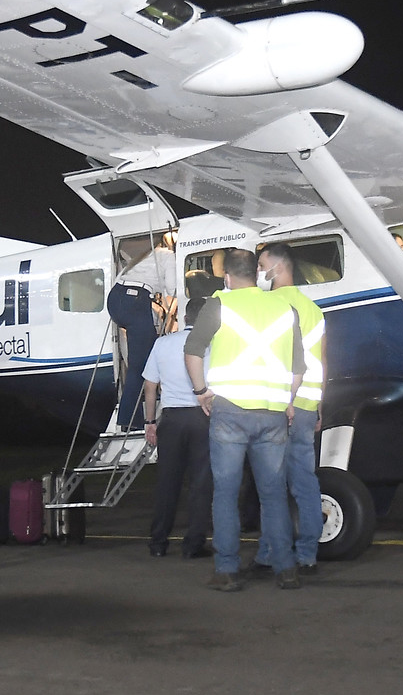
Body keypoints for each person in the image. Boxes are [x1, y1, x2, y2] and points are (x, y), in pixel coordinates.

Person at [185, 247, 303, 591]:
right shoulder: (285, 308)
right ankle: (286, 569)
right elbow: (298, 369)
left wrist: (201, 391)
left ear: (226, 277)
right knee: (273, 494)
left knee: (225, 493)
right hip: (273, 414)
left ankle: (227, 570)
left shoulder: (219, 305)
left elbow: (192, 351)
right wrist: (286, 400)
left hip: (230, 413)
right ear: (258, 274)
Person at [260, 241, 328, 575]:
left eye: (262, 266)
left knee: (271, 484)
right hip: (307, 405)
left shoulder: (269, 305)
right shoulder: (313, 309)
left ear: (278, 267)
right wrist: (319, 405)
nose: (259, 272)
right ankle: (307, 554)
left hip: (279, 404)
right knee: (305, 482)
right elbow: (323, 359)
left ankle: (269, 554)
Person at [141, 313, 211, 559]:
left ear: (184, 317)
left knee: (167, 483)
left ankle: (158, 542)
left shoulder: (162, 343)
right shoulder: (211, 344)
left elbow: (150, 386)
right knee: (200, 484)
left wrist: (150, 421)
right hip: (202, 417)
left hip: (172, 419)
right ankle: (193, 545)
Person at [108, 231, 177, 430]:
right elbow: (172, 288)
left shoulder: (140, 257)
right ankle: (130, 421)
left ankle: (131, 415)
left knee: (140, 358)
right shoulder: (167, 255)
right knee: (140, 366)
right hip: (136, 300)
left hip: (116, 299)